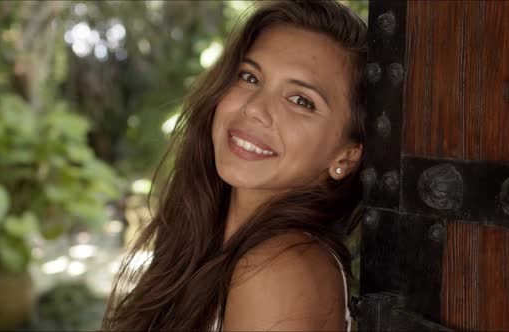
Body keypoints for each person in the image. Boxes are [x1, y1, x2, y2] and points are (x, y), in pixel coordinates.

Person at [101, 0, 367, 330]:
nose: (255, 108)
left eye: (301, 100)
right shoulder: (213, 243)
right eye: (249, 77)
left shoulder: (280, 269)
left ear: (346, 156)